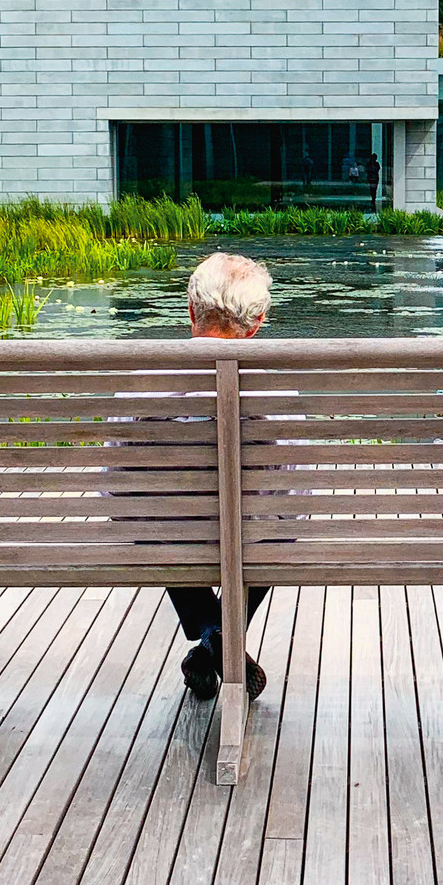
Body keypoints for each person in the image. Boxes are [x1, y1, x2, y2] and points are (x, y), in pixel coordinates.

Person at [172, 253, 273, 702]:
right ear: (258, 322)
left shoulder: (141, 377)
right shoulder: (278, 386)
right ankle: (222, 639)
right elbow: (297, 495)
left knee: (157, 524)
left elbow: (114, 485)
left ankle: (213, 636)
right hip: (254, 535)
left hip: (169, 537)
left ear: (190, 311)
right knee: (271, 527)